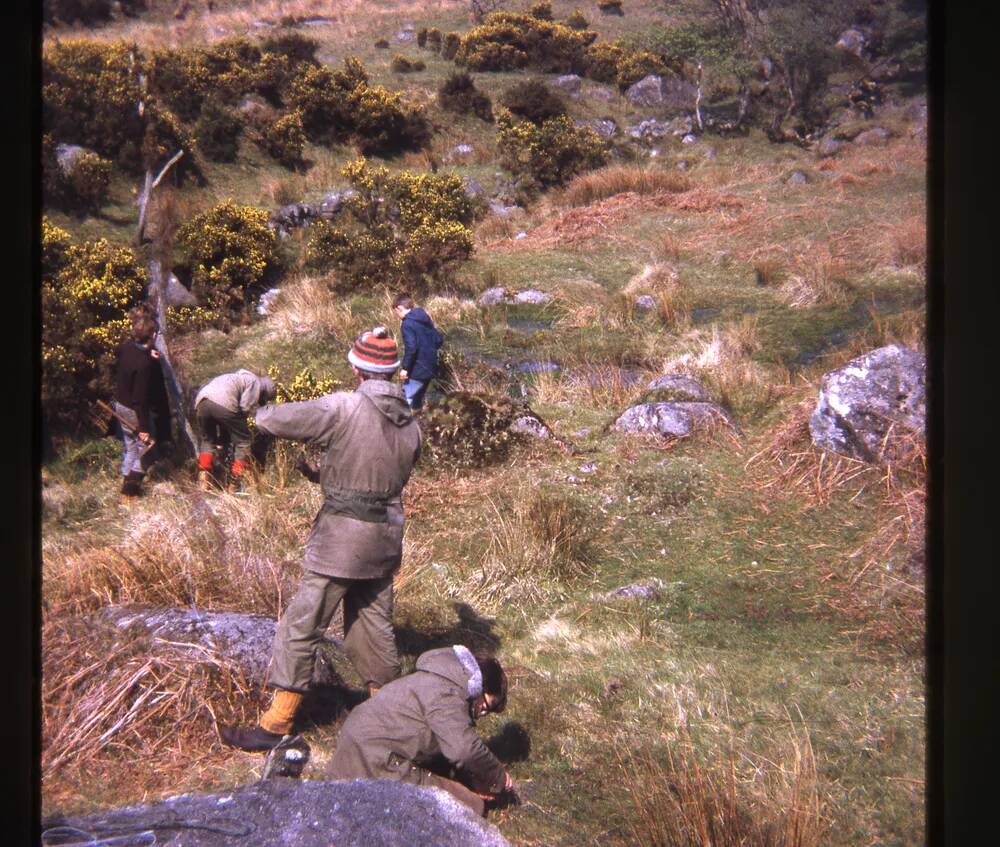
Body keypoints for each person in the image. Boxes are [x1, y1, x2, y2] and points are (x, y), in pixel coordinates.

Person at [219, 327, 421, 752]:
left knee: (301, 624)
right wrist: (326, 474)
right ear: (393, 372)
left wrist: (254, 405)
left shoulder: (343, 406)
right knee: (373, 628)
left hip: (340, 543)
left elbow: (275, 419)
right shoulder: (411, 425)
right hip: (385, 540)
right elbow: (378, 476)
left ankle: (277, 722)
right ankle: (392, 721)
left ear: (357, 369)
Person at [326, 646, 514, 817]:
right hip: (376, 757)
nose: (482, 713)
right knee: (471, 808)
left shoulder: (438, 675)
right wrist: (497, 777)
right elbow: (463, 749)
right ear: (479, 686)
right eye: (486, 707)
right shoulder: (451, 694)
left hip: (354, 743)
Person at [113, 305, 171, 502]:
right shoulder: (144, 365)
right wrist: (144, 427)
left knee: (130, 447)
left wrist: (148, 353)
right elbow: (140, 400)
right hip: (133, 409)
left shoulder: (126, 346)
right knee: (146, 450)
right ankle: (130, 491)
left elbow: (123, 352)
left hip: (119, 404)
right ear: (153, 335)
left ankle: (124, 486)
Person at [193, 369, 277, 491]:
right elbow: (244, 408)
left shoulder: (239, 377)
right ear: (264, 392)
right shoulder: (256, 383)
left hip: (202, 401)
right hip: (224, 402)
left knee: (208, 441)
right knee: (244, 442)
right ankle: (234, 484)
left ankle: (204, 481)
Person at [392, 293, 445, 411]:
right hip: (431, 366)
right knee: (418, 402)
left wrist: (405, 368)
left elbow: (411, 348)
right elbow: (438, 339)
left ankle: (410, 428)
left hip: (417, 369)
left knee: (405, 405)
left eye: (396, 312)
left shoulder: (407, 323)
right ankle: (421, 425)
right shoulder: (424, 317)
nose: (396, 316)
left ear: (399, 308)